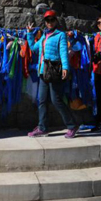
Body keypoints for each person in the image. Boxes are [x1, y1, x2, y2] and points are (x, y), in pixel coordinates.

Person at [26, 10, 78, 138]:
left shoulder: (60, 35)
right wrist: (29, 34)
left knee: (56, 100)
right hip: (43, 72)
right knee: (42, 101)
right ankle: (42, 127)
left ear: (56, 21)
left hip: (54, 71)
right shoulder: (44, 36)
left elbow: (63, 52)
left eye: (52, 20)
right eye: (47, 20)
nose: (50, 23)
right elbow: (33, 48)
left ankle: (72, 125)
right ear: (45, 22)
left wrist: (65, 67)